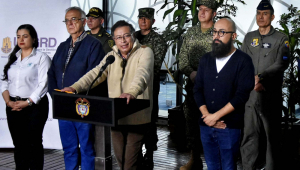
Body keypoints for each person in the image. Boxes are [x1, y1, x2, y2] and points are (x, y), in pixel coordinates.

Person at [61, 20, 154, 170]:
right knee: (121, 161)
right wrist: (75, 87)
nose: (123, 41)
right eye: (118, 37)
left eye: (126, 36)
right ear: (114, 40)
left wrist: (131, 92)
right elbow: (94, 74)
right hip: (115, 116)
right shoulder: (111, 56)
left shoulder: (145, 52)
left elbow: (142, 74)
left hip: (137, 116)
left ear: (132, 36)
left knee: (130, 163)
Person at [47, 6, 105, 170]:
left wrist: (77, 93)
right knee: (69, 148)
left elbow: (94, 76)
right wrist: (56, 96)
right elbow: (51, 74)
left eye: (74, 19)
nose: (70, 23)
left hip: (83, 106)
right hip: (64, 106)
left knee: (87, 148)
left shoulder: (94, 45)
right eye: (67, 20)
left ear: (84, 22)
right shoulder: (62, 46)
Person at [193, 18, 254, 170]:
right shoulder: (206, 59)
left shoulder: (244, 61)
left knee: (228, 166)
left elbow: (241, 96)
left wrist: (216, 117)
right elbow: (197, 89)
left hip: (229, 126)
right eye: (214, 32)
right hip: (206, 125)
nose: (216, 36)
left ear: (233, 36)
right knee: (212, 166)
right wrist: (207, 116)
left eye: (222, 32)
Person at [240, 0, 290, 169]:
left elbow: (282, 63)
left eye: (265, 14)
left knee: (271, 138)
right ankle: (248, 167)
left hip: (270, 94)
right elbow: (242, 61)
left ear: (272, 16)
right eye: (259, 13)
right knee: (249, 135)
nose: (261, 17)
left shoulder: (281, 38)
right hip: (251, 96)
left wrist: (261, 78)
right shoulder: (249, 37)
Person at [1, 24, 51, 169]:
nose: (21, 39)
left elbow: (44, 84)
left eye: (25, 36)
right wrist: (8, 101)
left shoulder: (42, 58)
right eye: (18, 36)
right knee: (19, 144)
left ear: (34, 39)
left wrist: (28, 102)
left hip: (35, 107)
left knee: (33, 143)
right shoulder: (13, 58)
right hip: (13, 106)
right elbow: (4, 82)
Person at [178, 0, 217, 169]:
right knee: (192, 123)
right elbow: (182, 59)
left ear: (214, 13)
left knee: (213, 124)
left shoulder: (219, 32)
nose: (201, 12)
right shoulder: (191, 32)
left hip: (214, 88)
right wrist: (191, 73)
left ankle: (215, 163)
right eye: (200, 9)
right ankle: (195, 160)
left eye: (206, 10)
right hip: (193, 86)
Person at [134, 7, 167, 168]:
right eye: (141, 18)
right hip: (130, 86)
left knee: (149, 119)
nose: (143, 21)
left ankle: (150, 153)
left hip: (149, 86)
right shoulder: (132, 37)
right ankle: (136, 152)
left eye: (146, 18)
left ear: (153, 21)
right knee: (133, 118)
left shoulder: (158, 41)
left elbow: (154, 67)